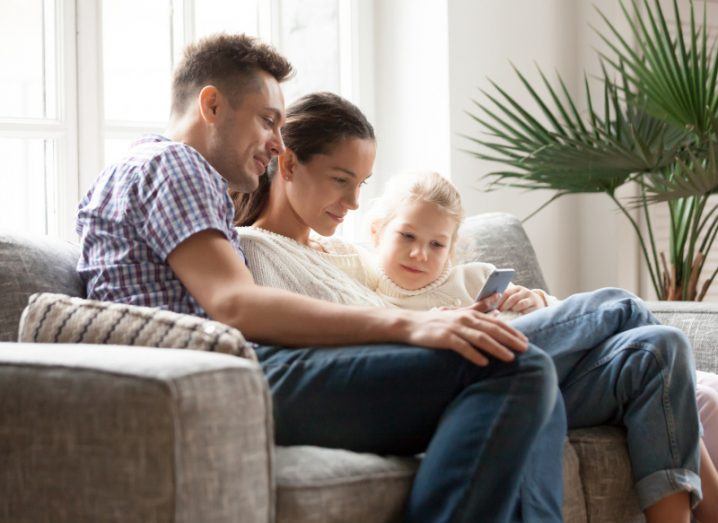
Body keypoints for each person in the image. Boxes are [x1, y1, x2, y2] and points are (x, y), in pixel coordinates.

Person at [76, 34, 564, 523]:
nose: (277, 142)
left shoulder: (132, 171)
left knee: (518, 367)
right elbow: (235, 304)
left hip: (226, 371)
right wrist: (409, 327)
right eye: (268, 120)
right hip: (227, 375)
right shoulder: (175, 164)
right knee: (514, 365)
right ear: (211, 105)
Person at [234, 91, 707, 522]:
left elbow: (398, 297)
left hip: (452, 356)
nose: (354, 202)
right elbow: (321, 341)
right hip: (428, 371)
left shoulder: (340, 251)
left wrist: (508, 305)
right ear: (290, 165)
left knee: (656, 345)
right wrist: (424, 324)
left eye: (361, 184)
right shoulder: (255, 249)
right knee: (620, 307)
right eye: (342, 180)